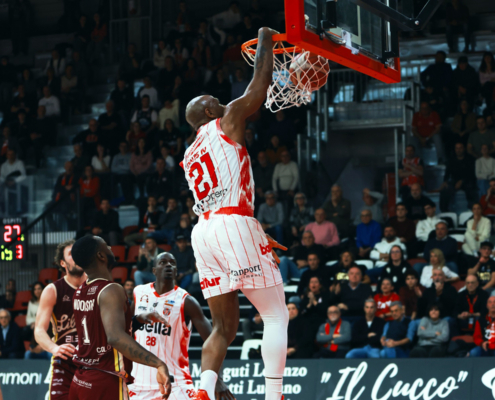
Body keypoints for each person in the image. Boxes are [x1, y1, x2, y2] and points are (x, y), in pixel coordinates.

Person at [182, 28, 289, 400]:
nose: (223, 102)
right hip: (232, 223)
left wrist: (254, 232)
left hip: (204, 232)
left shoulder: (189, 154)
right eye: (216, 100)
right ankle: (274, 396)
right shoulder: (226, 120)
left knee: (223, 328)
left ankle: (204, 391)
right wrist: (265, 40)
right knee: (276, 315)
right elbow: (259, 85)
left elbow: (220, 194)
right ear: (210, 112)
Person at [69, 236, 172, 399]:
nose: (110, 247)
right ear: (101, 256)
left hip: (80, 380)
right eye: (106, 245)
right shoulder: (111, 289)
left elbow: (102, 333)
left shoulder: (79, 292)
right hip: (104, 380)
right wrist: (158, 363)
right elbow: (115, 338)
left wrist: (137, 320)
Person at [129, 252, 233, 400]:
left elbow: (214, 341)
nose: (168, 265)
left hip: (176, 385)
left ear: (176, 271)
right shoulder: (139, 293)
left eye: (172, 263)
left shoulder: (186, 301)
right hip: (139, 384)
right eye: (163, 262)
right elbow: (125, 331)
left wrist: (217, 379)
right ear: (154, 270)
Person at [34, 240, 86, 399]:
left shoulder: (97, 286)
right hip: (64, 363)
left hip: (93, 362)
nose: (77, 255)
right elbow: (39, 330)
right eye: (71, 254)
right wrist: (54, 348)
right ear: (63, 263)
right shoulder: (53, 290)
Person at [439, 142, 477, 211]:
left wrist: (462, 181)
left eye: (460, 148)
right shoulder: (451, 160)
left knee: (471, 189)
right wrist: (445, 181)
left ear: (464, 149)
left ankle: (472, 209)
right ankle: (444, 211)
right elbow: (447, 172)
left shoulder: (470, 159)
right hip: (454, 181)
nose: (458, 150)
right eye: (457, 148)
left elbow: (472, 174)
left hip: (467, 180)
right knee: (445, 190)